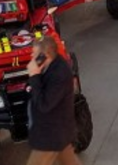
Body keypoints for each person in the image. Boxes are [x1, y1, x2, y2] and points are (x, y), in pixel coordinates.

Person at [23, 36, 82, 165]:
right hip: (58, 133)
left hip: (51, 136)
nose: (31, 56)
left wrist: (34, 76)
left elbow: (44, 104)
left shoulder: (60, 74)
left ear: (46, 55)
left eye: (35, 53)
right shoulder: (48, 65)